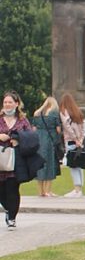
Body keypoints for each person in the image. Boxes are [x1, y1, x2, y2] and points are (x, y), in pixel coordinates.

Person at [0, 91, 40, 228]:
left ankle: (12, 217)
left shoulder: (22, 120)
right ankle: (7, 208)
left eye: (10, 102)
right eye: (5, 102)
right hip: (0, 158)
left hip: (16, 159)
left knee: (12, 188)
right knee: (2, 190)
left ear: (16, 104)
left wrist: (17, 139)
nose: (7, 104)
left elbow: (31, 137)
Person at [33, 96, 62, 197]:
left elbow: (33, 129)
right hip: (50, 141)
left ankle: (41, 191)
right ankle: (48, 191)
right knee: (50, 164)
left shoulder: (37, 113)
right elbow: (58, 130)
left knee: (39, 165)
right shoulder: (54, 114)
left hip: (38, 141)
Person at [59, 93, 85, 197]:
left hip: (71, 141)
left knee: (73, 165)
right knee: (80, 165)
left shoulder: (64, 112)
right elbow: (84, 127)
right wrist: (80, 139)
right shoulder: (78, 112)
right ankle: (80, 189)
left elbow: (67, 126)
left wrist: (75, 139)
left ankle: (77, 189)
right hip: (79, 142)